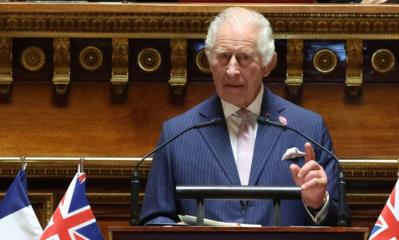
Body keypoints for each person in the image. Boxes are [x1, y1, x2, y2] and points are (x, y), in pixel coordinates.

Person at [140, 7, 341, 226]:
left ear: (268, 64)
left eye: (244, 58)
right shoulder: (176, 134)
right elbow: (154, 219)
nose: (232, 70)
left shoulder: (308, 129)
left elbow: (342, 223)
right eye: (223, 57)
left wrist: (318, 204)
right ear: (209, 59)